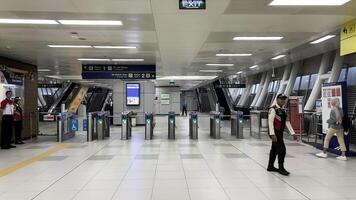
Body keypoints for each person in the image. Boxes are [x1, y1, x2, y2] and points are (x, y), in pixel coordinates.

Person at [267, 94, 298, 176]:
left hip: (279, 132)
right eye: (281, 99)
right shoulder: (273, 109)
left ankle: (270, 166)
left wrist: (293, 133)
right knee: (282, 150)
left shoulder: (283, 110)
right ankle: (281, 168)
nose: (283, 101)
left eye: (284, 99)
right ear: (277, 99)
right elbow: (270, 122)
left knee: (274, 149)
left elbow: (287, 122)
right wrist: (272, 134)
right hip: (275, 132)